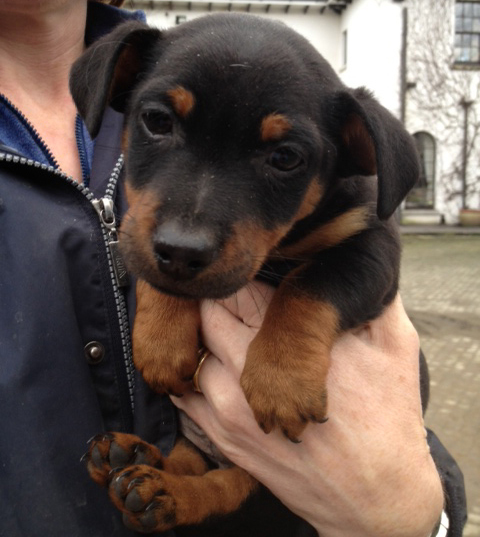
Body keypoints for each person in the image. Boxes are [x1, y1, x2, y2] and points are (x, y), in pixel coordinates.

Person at [0, 1, 466, 536]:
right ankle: (181, 472)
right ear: (114, 95)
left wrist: (414, 516)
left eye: (283, 157)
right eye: (158, 122)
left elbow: (371, 254)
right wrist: (164, 294)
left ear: (349, 152)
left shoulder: (346, 199)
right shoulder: (146, 59)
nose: (187, 229)